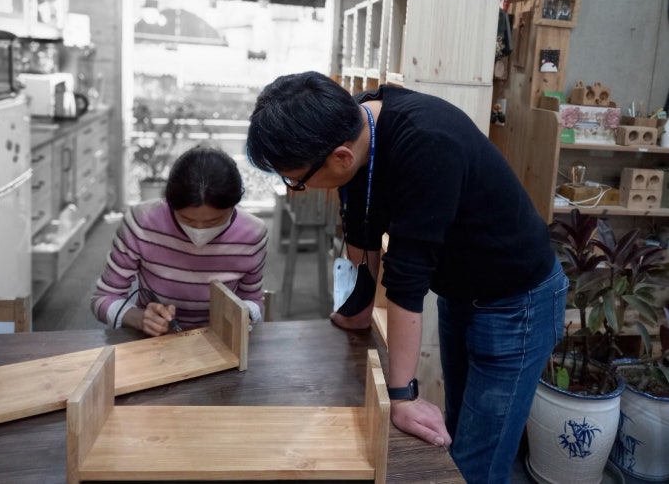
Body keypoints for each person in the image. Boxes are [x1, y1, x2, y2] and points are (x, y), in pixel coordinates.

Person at [245, 71, 567, 483]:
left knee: (476, 463)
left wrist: (402, 396)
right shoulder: (356, 127)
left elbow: (406, 279)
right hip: (462, 290)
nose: (295, 188)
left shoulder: (425, 143)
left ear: (340, 158)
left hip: (517, 302)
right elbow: (361, 228)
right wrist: (358, 308)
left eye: (297, 181)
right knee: (453, 432)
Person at [91, 145, 267, 337]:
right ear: (169, 203)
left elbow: (253, 301)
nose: (199, 230)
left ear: (234, 204)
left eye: (214, 221)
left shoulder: (252, 234)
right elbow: (104, 298)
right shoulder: (142, 222)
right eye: (187, 219)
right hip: (154, 339)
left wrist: (244, 315)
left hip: (219, 340)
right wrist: (139, 318)